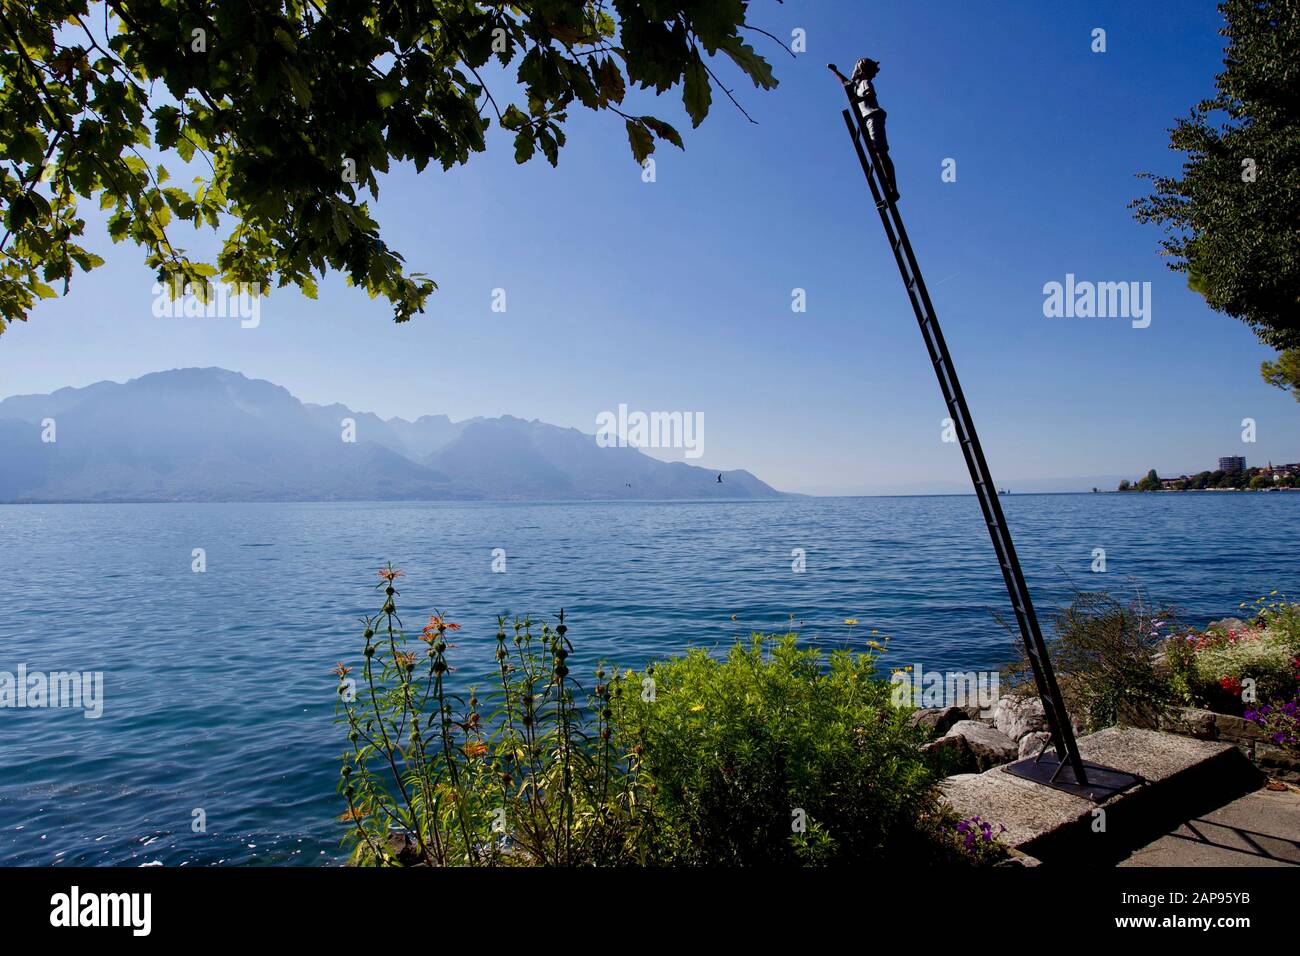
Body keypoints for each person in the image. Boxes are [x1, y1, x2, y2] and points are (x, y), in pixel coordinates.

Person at [831, 58, 900, 202]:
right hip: (867, 120)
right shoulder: (856, 86)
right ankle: (887, 185)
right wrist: (835, 71)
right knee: (875, 153)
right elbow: (845, 82)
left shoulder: (865, 83)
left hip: (874, 116)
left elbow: (870, 95)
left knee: (880, 152)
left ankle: (892, 188)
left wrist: (858, 100)